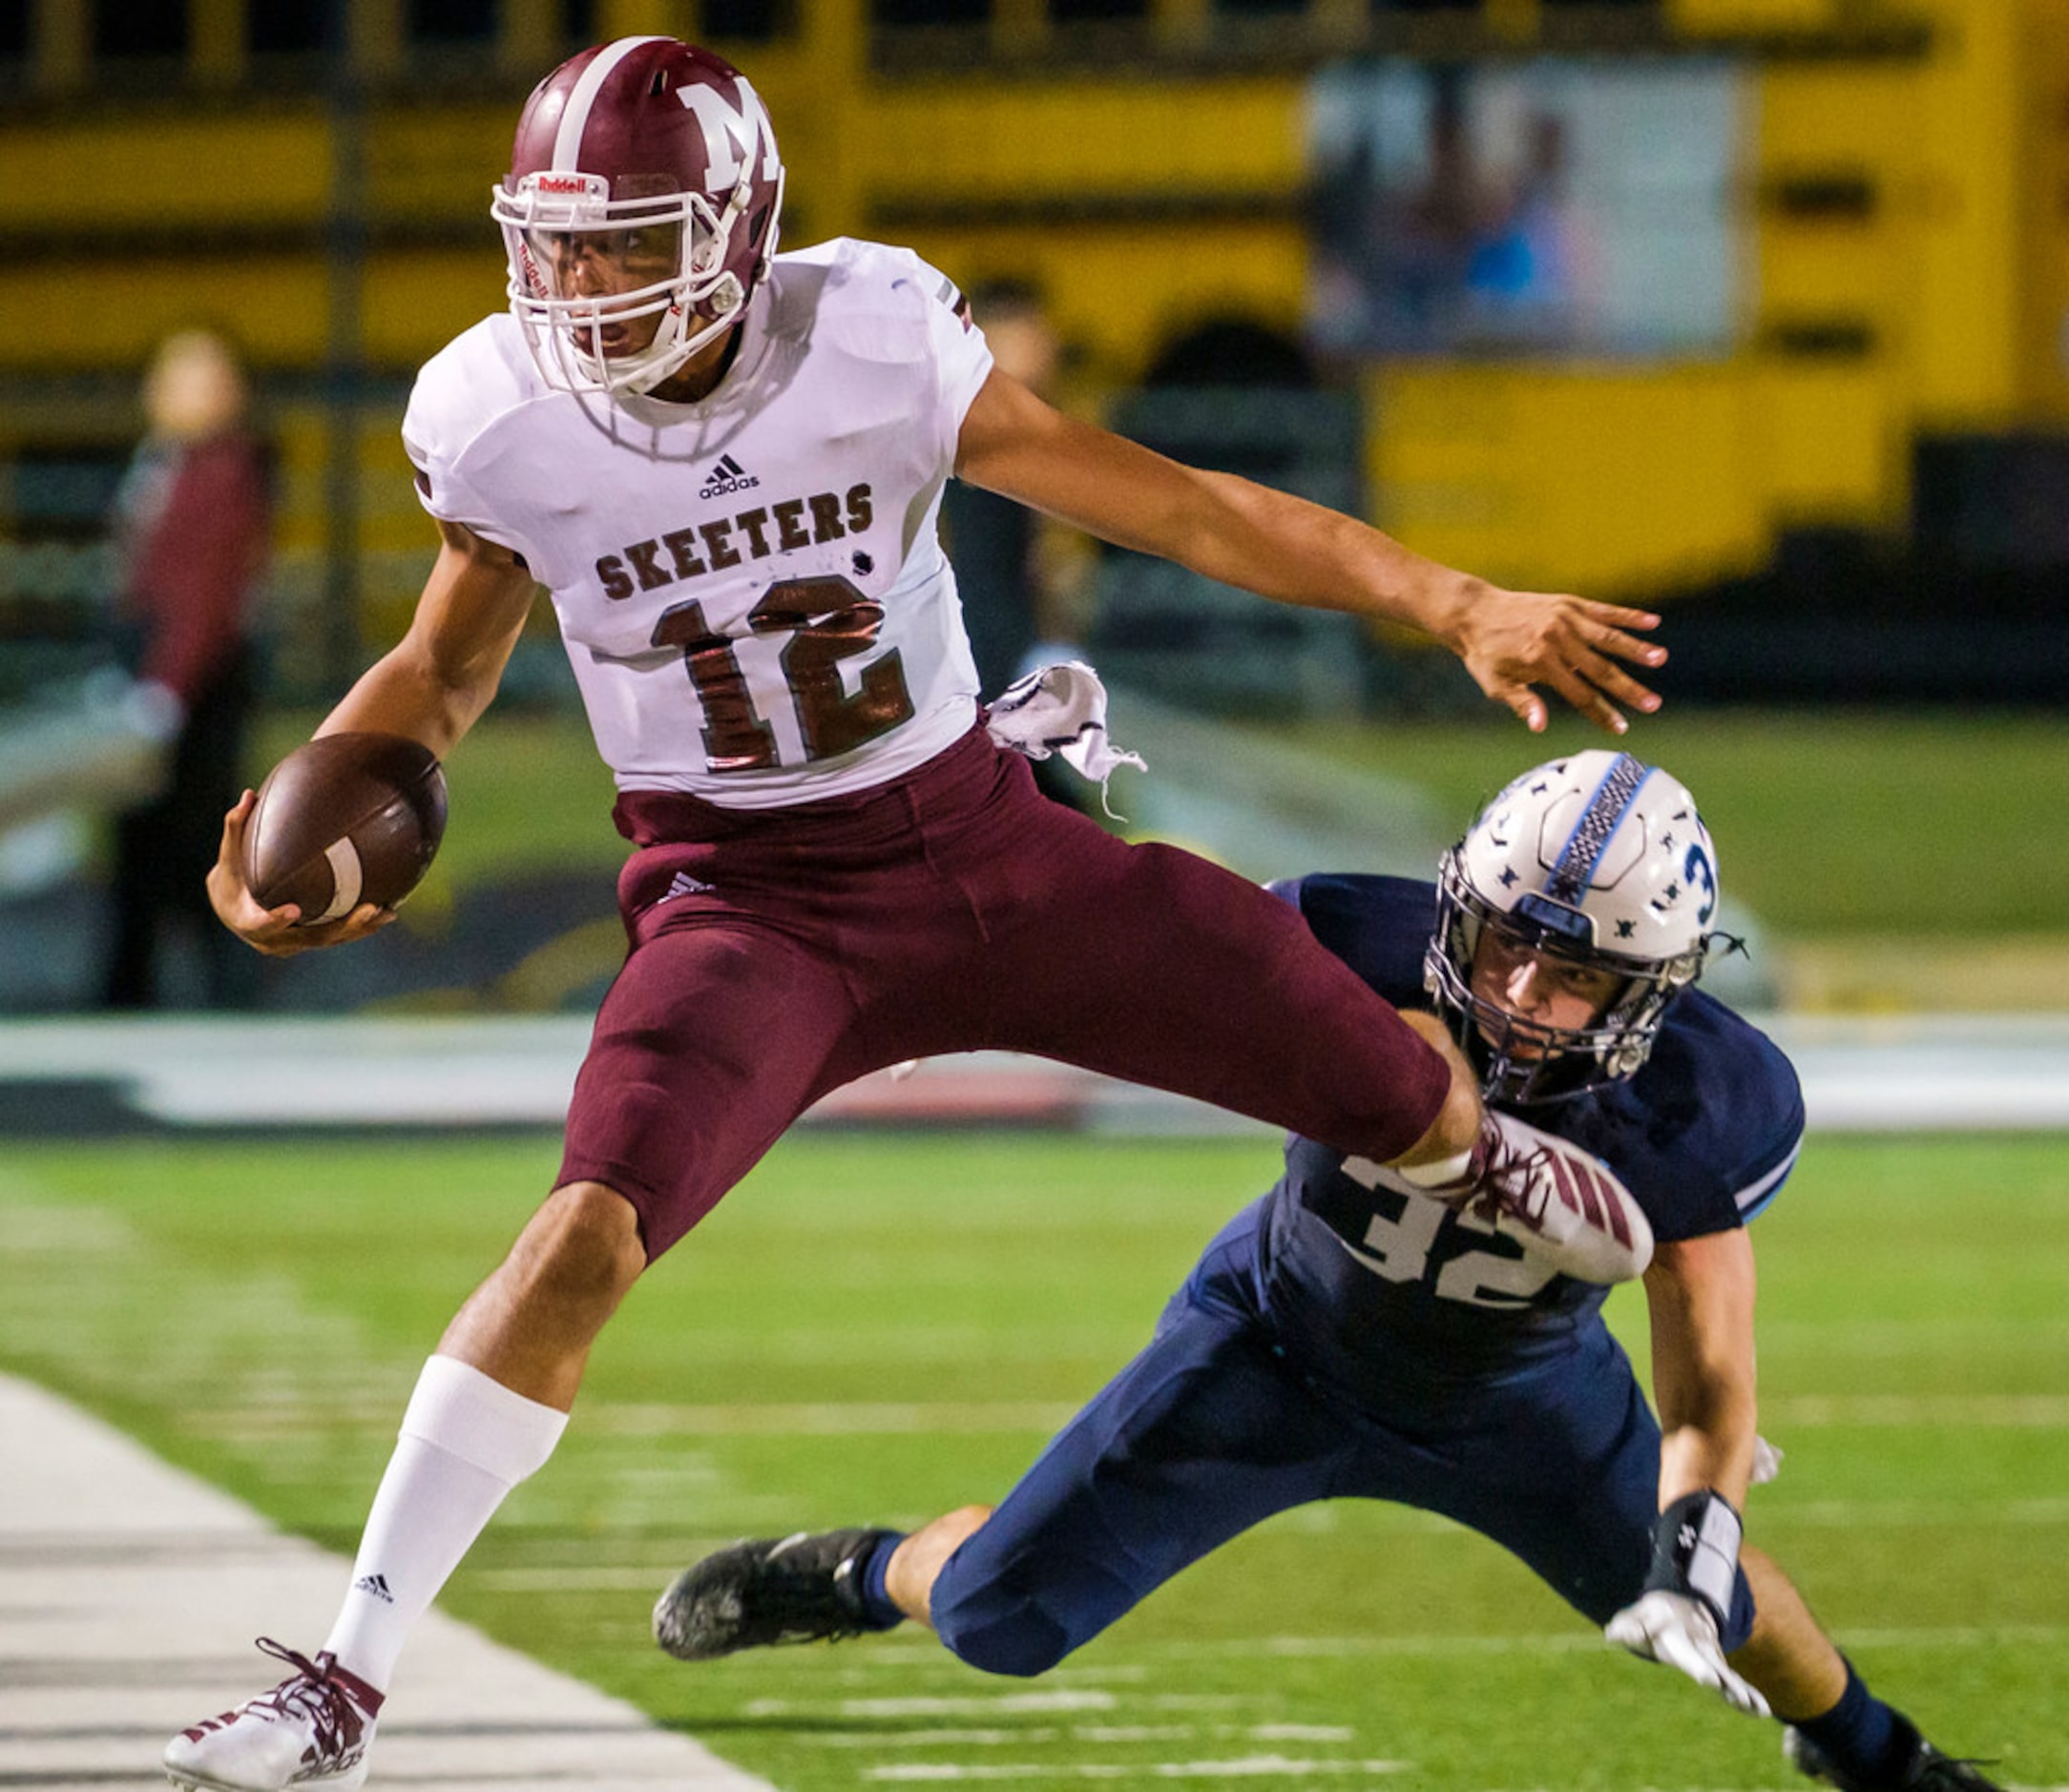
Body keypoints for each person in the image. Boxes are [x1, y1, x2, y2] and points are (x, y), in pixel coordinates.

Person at [167, 37, 1667, 1792]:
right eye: (557, 241)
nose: (580, 284)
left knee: (1404, 1094)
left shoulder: (865, 340)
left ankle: (1516, 1210)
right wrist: (315, 825)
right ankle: (338, 1683)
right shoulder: (496, 415)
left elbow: (1175, 504)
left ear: (735, 230)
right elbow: (438, 667)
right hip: (742, 898)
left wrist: (1450, 596)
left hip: (983, 839)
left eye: (629, 240)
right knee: (581, 1231)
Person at [657, 750, 2006, 1792]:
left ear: (1652, 987)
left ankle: (1879, 1755)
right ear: (1454, 906)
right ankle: (857, 1572)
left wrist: (1691, 1539)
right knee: (991, 1614)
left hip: (1521, 1399)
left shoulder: (1712, 1099)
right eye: (1503, 941)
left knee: (1720, 1600)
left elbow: (1711, 1371)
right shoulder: (1347, 938)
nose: (1526, 992)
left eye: (1576, 974)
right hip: (1270, 1341)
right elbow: (1129, 973)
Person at [100, 327, 272, 1010]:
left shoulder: (223, 470)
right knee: (146, 840)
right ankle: (139, 986)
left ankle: (221, 988)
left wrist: (165, 690)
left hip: (196, 682)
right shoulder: (165, 461)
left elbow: (203, 594)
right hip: (153, 669)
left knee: (198, 834)